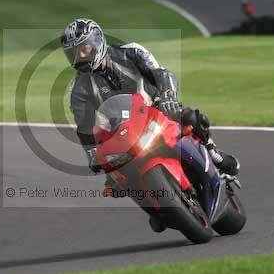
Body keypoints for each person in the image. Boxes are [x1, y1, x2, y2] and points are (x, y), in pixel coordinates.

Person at [62, 18, 240, 203]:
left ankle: (214, 154)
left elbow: (161, 73)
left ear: (97, 41)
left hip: (157, 110)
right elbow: (85, 127)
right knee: (116, 183)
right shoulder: (78, 91)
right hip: (123, 133)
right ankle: (157, 209)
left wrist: (167, 97)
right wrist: (92, 153)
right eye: (73, 54)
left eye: (84, 49)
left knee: (191, 117)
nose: (79, 57)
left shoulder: (130, 51)